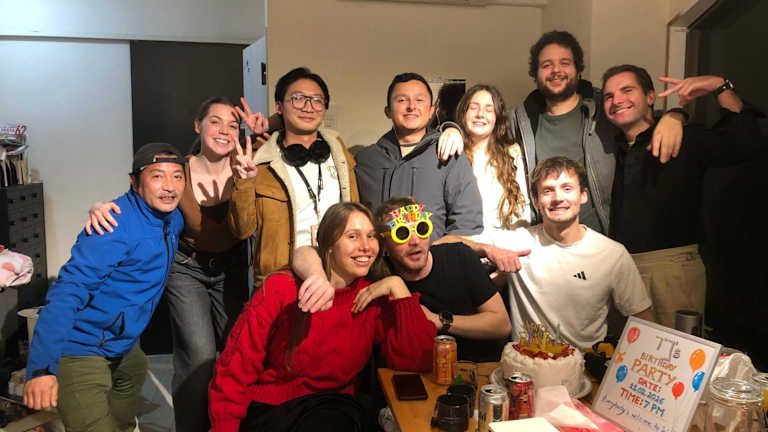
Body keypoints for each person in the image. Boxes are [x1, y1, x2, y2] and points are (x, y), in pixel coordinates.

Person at [84, 97, 255, 431]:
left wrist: (248, 177)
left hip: (232, 268)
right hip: (186, 268)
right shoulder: (180, 170)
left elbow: (247, 226)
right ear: (198, 125)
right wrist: (99, 206)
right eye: (215, 121)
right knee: (199, 356)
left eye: (233, 125)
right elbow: (141, 197)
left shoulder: (247, 166)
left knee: (237, 351)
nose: (224, 130)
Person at [208, 202, 435, 432]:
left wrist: (399, 289)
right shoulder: (282, 288)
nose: (366, 246)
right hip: (271, 410)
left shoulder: (371, 298)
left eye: (371, 236)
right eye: (353, 236)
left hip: (334, 410)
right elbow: (235, 368)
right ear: (329, 245)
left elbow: (419, 360)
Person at [23, 143, 185, 431]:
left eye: (177, 176)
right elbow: (67, 292)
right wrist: (41, 368)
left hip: (121, 345)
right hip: (79, 348)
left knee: (134, 374)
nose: (169, 186)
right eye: (157, 176)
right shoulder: (111, 226)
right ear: (134, 181)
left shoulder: (173, 220)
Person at [601, 65, 762, 327]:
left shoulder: (685, 137)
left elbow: (746, 142)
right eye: (609, 96)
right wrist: (676, 113)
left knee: (676, 349)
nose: (617, 100)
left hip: (672, 269)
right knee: (624, 350)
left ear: (650, 97)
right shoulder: (610, 150)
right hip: (622, 269)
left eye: (627, 90)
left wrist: (719, 86)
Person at [295, 197, 511, 362]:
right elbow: (306, 251)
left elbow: (502, 325)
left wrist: (438, 320)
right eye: (402, 233)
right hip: (425, 376)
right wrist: (317, 276)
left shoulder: (458, 256)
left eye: (422, 229)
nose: (415, 241)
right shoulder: (377, 274)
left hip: (484, 368)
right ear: (384, 246)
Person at [227, 67, 358, 295]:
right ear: (279, 107)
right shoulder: (258, 160)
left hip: (338, 274)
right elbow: (242, 230)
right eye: (297, 98)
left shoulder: (337, 148)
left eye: (317, 100)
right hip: (282, 280)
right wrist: (244, 182)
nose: (308, 107)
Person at [505, 157, 654, 350]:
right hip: (528, 363)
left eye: (567, 188)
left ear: (583, 195)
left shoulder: (612, 254)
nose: (558, 198)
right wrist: (492, 251)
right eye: (548, 191)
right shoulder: (519, 241)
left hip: (586, 364)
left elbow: (643, 320)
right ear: (536, 202)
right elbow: (464, 243)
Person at [354, 72, 483, 240]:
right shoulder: (366, 160)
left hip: (436, 255)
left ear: (431, 111)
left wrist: (438, 253)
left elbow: (466, 221)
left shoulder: (449, 155)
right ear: (388, 111)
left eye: (419, 100)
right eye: (402, 100)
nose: (411, 106)